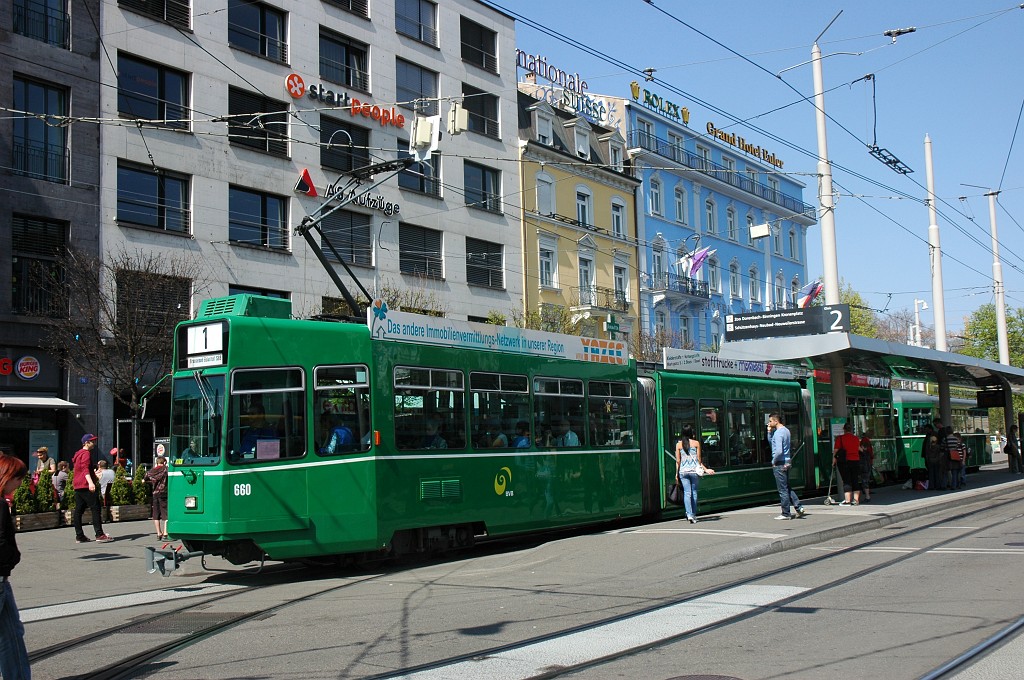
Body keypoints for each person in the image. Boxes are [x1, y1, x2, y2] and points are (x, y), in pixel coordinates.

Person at [0, 453, 31, 680]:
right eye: (18, 478)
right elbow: (2, 542)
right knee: (10, 636)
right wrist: (12, 559)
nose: (20, 484)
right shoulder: (0, 504)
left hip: (3, 580)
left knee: (12, 634)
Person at [72, 434, 113, 544]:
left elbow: (81, 470)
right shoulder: (86, 454)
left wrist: (93, 474)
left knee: (78, 510)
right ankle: (99, 534)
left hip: (78, 485)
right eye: (92, 441)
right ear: (86, 443)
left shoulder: (78, 454)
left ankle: (79, 535)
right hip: (85, 485)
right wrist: (91, 482)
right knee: (96, 508)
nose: (94, 443)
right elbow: (85, 469)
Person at [675, 425, 714, 524]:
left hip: (683, 472)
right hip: (694, 472)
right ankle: (693, 514)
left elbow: (678, 461)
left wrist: (676, 474)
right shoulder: (696, 443)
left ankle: (688, 515)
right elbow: (699, 460)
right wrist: (706, 470)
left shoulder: (678, 445)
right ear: (691, 433)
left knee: (687, 493)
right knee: (694, 493)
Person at [769, 413, 805, 519]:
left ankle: (785, 513)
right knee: (787, 487)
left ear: (776, 421)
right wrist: (769, 432)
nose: (769, 423)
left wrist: (773, 461)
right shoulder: (786, 431)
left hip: (779, 463)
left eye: (770, 421)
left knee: (782, 490)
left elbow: (778, 450)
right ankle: (799, 507)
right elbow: (772, 443)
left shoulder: (778, 433)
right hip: (787, 461)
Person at [833, 422, 861, 505]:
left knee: (846, 481)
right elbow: (858, 449)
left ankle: (848, 501)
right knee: (855, 480)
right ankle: (856, 500)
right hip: (855, 461)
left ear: (844, 429)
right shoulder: (856, 438)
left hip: (844, 462)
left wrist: (833, 461)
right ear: (851, 430)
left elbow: (835, 451)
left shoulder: (840, 438)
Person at [144, 456, 169, 539]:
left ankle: (159, 533)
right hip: (164, 493)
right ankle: (165, 532)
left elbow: (144, 479)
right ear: (164, 462)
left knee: (156, 514)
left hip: (155, 493)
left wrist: (150, 482)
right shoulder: (166, 469)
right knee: (166, 513)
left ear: (157, 462)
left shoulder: (151, 471)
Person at [859, 430, 875, 502]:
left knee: (865, 478)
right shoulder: (866, 440)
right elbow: (867, 451)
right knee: (866, 478)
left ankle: (866, 493)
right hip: (866, 462)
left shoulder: (865, 440)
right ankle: (867, 495)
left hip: (865, 462)